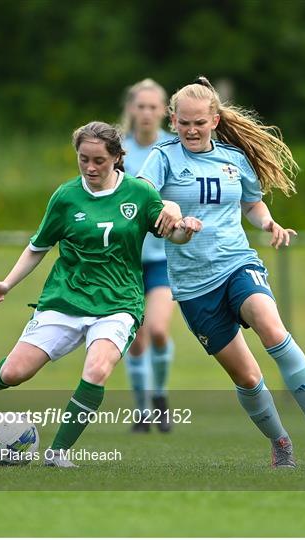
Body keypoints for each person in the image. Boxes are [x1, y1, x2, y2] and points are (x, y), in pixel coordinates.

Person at [138, 76, 305, 468]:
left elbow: (252, 205)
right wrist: (166, 207)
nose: (191, 129)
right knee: (248, 378)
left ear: (215, 121)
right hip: (192, 286)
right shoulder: (163, 157)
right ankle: (281, 443)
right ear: (172, 120)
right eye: (183, 122)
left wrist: (269, 223)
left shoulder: (233, 160)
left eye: (199, 122)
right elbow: (143, 193)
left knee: (273, 330)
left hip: (237, 262)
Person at [0, 121, 202, 468]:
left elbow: (172, 234)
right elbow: (37, 246)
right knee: (16, 373)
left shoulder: (139, 194)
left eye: (99, 160)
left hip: (119, 302)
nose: (90, 167)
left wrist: (185, 229)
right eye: (83, 159)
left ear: (117, 158)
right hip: (67, 296)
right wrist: (7, 283)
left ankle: (58, 453)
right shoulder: (65, 196)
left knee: (98, 368)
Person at [121, 79, 175, 432]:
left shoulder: (173, 149)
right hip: (126, 261)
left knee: (157, 330)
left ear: (164, 112)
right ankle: (141, 409)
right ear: (131, 110)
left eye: (153, 107)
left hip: (163, 259)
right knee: (135, 339)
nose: (146, 113)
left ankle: (160, 396)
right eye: (140, 106)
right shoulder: (118, 152)